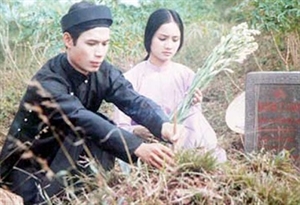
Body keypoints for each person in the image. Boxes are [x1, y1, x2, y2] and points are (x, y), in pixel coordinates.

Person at [0, 2, 186, 204]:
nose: (99, 52)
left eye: (105, 44)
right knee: (95, 125)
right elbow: (80, 118)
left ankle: (83, 192)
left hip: (69, 152)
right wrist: (136, 147)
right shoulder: (48, 81)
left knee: (98, 134)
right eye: (91, 44)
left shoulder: (103, 70)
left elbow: (132, 99)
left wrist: (163, 125)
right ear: (68, 40)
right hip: (28, 166)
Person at [114, 8, 227, 165]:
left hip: (182, 150)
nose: (169, 45)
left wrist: (194, 104)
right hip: (147, 151)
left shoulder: (186, 75)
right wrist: (139, 130)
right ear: (150, 37)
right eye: (163, 38)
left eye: (175, 39)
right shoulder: (131, 78)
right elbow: (121, 127)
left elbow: (193, 123)